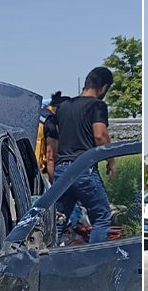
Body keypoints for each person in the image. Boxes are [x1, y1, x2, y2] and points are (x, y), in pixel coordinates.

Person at [45, 66, 117, 243]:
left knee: (59, 220)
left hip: (63, 172)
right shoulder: (97, 106)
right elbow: (100, 135)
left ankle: (49, 256)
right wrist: (111, 162)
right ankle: (96, 261)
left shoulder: (63, 107)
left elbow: (52, 147)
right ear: (104, 88)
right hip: (84, 169)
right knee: (101, 216)